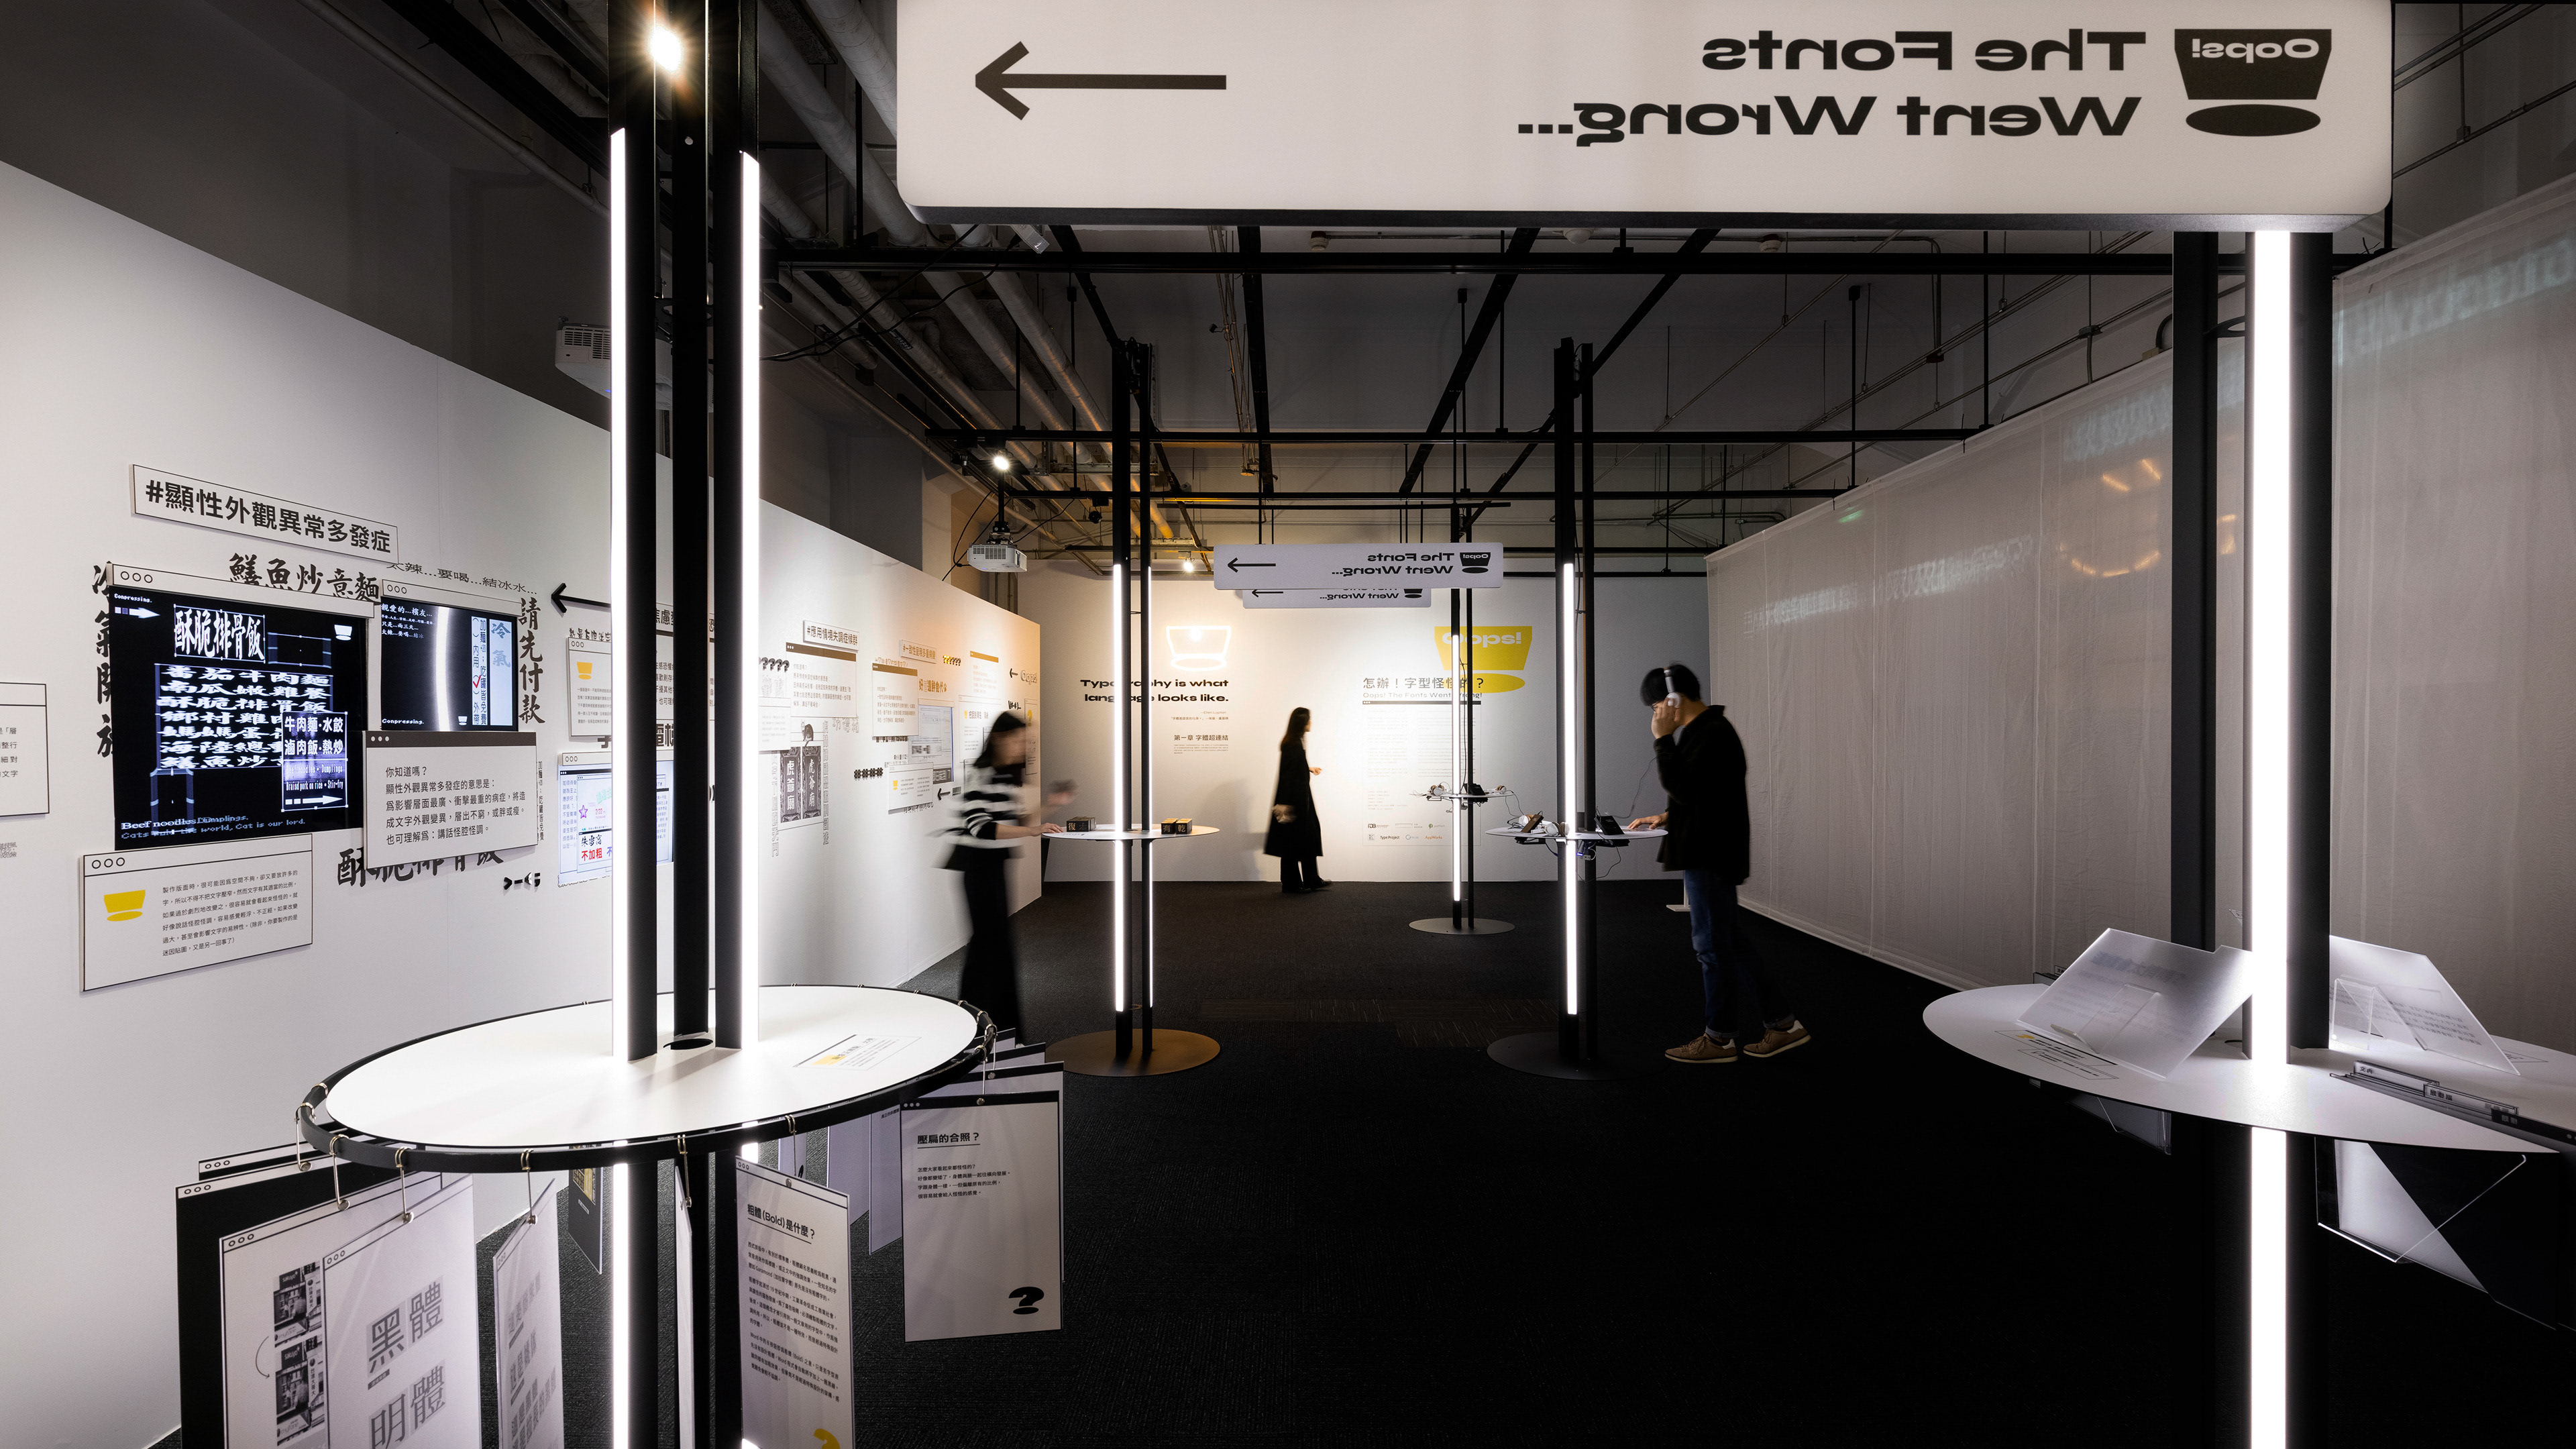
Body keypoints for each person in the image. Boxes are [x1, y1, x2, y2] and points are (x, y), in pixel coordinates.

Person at [1627, 664, 1809, 1065]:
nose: (1656, 715)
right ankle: (1784, 1025)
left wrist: (1662, 740)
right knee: (1729, 942)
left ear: (1673, 700)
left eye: (1657, 706)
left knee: (1711, 948)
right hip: (1711, 850)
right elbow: (1706, 794)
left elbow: (1683, 786)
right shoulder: (1706, 732)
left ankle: (1720, 1039)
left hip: (1709, 855)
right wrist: (1668, 816)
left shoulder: (1710, 734)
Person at [949, 711, 1062, 1034]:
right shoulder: (980, 774)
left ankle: (994, 1026)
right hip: (978, 868)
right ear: (999, 739)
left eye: (1027, 741)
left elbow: (1015, 822)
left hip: (994, 868)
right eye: (1019, 740)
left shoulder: (1001, 776)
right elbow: (981, 828)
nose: (1024, 747)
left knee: (994, 949)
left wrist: (1050, 805)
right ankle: (978, 1025)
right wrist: (1033, 830)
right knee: (988, 949)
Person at [1265, 706, 1330, 893]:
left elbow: (1293, 768)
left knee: (1303, 838)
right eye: (1309, 719)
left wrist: (1308, 768)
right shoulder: (1293, 744)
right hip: (1294, 802)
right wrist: (1285, 805)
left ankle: (1310, 879)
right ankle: (1293, 883)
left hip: (1300, 800)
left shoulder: (1295, 742)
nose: (1311, 722)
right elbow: (1287, 776)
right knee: (1292, 841)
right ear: (1302, 723)